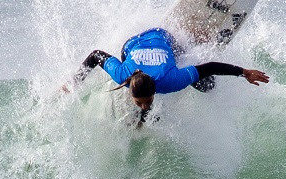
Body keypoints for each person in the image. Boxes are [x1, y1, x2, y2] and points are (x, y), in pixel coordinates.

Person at [62, 27, 270, 126]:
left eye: (148, 100)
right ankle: (141, 121)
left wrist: (244, 72)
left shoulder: (170, 82)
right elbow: (95, 56)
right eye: (140, 101)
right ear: (130, 88)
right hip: (132, 43)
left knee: (207, 85)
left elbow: (210, 67)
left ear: (156, 90)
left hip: (162, 36)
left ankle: (202, 36)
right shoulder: (122, 74)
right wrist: (74, 82)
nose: (145, 104)